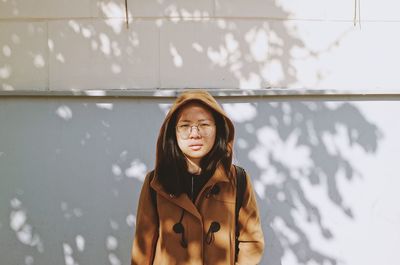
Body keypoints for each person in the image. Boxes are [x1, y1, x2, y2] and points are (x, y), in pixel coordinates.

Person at [131, 89, 264, 265]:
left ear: (218, 129)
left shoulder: (237, 180)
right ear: (173, 133)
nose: (195, 134)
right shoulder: (156, 182)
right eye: (185, 126)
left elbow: (251, 241)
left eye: (204, 125)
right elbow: (143, 246)